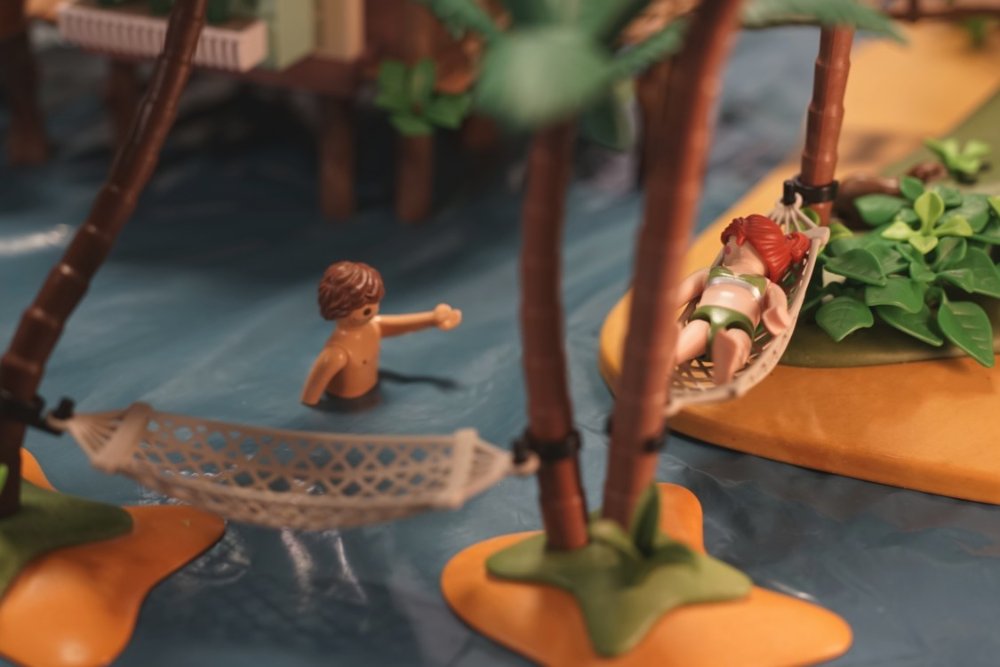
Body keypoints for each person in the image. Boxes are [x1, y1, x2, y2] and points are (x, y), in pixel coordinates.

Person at [301, 261, 462, 404]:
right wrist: (311, 402)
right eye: (365, 308)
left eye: (374, 301)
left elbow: (401, 324)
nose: (373, 309)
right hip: (346, 404)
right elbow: (312, 389)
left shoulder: (372, 326)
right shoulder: (338, 353)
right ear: (337, 310)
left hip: (370, 396)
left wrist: (433, 319)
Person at [674, 214, 809, 384]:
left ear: (740, 242)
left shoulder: (766, 285)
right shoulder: (710, 273)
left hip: (738, 322)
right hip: (707, 318)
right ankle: (673, 355)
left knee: (738, 340)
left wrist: (777, 313)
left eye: (728, 244)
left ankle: (728, 360)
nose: (726, 249)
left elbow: (778, 301)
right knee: (699, 333)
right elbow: (680, 293)